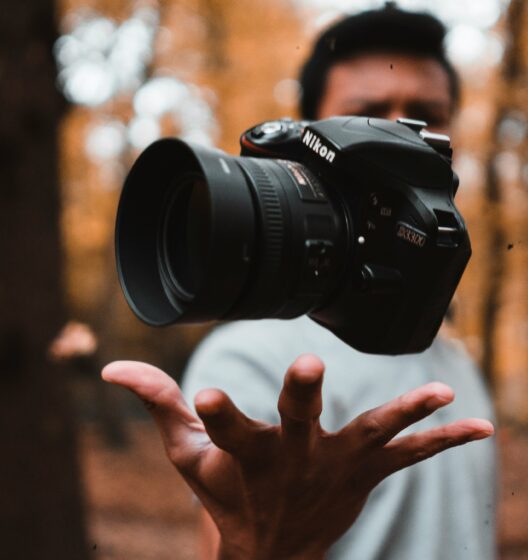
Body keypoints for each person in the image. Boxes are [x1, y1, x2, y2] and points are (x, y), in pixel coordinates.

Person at [102, 5, 497, 559]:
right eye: (371, 116)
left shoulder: (450, 351)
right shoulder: (254, 355)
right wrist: (265, 548)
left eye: (425, 119)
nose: (403, 139)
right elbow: (240, 536)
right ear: (313, 132)